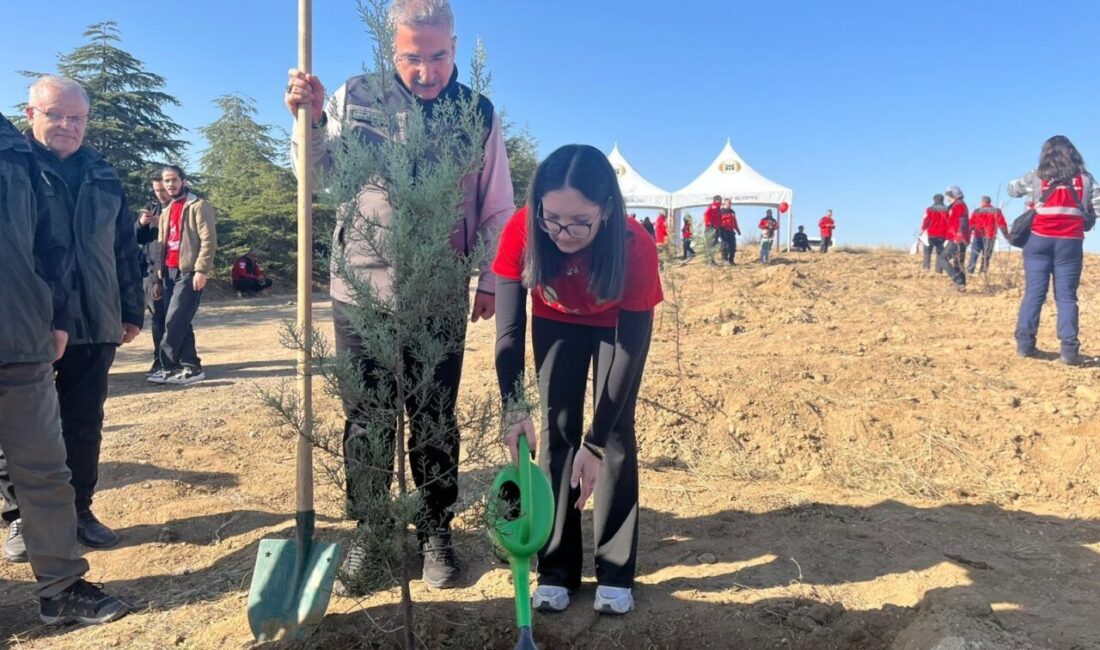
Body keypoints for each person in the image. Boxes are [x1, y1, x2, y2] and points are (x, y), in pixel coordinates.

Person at [285, 0, 514, 591]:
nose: (426, 70)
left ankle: (435, 530)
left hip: (438, 291)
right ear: (394, 49)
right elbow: (319, 178)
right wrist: (311, 121)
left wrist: (490, 278)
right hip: (360, 287)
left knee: (434, 417)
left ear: (455, 47)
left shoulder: (478, 113)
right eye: (413, 57)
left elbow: (496, 204)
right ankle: (372, 529)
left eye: (438, 56)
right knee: (367, 419)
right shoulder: (356, 95)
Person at [493, 144, 662, 616]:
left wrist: (596, 444)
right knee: (557, 431)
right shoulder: (523, 229)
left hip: (615, 327)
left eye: (579, 222)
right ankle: (556, 569)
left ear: (606, 210)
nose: (563, 233)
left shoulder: (635, 245)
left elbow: (630, 348)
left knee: (615, 434)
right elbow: (509, 333)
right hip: (556, 320)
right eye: (552, 219)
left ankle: (615, 570)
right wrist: (513, 407)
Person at [0, 76, 144, 553]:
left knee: (83, 423)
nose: (67, 125)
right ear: (30, 115)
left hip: (95, 318)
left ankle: (79, 510)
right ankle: (22, 517)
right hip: (29, 322)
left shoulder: (103, 173)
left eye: (77, 118)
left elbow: (124, 247)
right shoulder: (13, 167)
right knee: (19, 428)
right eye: (56, 115)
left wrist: (130, 308)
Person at [1008, 135, 1099, 365]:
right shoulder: (1086, 178)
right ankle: (1069, 351)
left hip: (1038, 240)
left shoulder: (1036, 176)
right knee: (1067, 297)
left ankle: (1025, 345)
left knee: (1034, 293)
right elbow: (1098, 206)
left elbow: (1012, 189)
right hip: (1070, 243)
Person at [147, 165, 216, 386]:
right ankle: (190, 366)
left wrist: (201, 270)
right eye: (166, 181)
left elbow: (208, 240)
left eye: (174, 180)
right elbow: (161, 247)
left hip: (188, 271)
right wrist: (157, 279)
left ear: (183, 181)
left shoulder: (199, 206)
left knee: (174, 319)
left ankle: (167, 366)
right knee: (180, 320)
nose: (170, 184)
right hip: (168, 272)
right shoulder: (166, 211)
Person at [136, 174, 170, 375]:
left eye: (162, 190)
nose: (160, 194)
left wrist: (164, 224)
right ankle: (159, 359)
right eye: (156, 191)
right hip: (150, 271)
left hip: (172, 269)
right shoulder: (152, 208)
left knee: (174, 317)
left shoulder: (181, 207)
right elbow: (136, 238)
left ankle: (178, 358)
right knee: (158, 317)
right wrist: (141, 223)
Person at [967, 196, 1008, 274]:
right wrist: (1006, 236)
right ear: (989, 202)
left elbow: (971, 225)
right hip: (990, 236)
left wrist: (967, 236)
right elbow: (1002, 224)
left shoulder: (976, 211)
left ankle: (970, 271)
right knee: (986, 256)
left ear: (982, 202)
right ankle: (983, 272)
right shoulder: (996, 211)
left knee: (974, 255)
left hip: (978, 236)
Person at [938, 186, 969, 290]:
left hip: (957, 237)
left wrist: (959, 235)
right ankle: (961, 285)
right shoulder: (957, 205)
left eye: (947, 195)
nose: (946, 197)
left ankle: (958, 281)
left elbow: (962, 221)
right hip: (960, 237)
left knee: (942, 259)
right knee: (958, 262)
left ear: (951, 195)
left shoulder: (958, 205)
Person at [921, 194, 949, 272]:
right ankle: (939, 271)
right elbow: (950, 222)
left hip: (931, 234)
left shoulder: (929, 209)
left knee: (927, 251)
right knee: (940, 253)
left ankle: (926, 267)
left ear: (934, 200)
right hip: (943, 234)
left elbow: (926, 220)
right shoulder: (947, 210)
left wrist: (923, 230)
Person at [718, 198, 740, 265]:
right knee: (725, 244)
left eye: (730, 203)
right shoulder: (720, 211)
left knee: (733, 245)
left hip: (731, 231)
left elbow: (734, 221)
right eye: (728, 203)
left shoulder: (732, 212)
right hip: (723, 230)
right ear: (724, 203)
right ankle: (724, 259)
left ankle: (731, 260)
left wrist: (738, 230)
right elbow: (717, 221)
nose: (730, 204)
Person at [702, 194, 721, 265]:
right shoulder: (713, 206)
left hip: (716, 227)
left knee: (714, 244)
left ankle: (711, 261)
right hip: (711, 228)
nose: (721, 201)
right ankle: (709, 261)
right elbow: (706, 214)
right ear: (716, 200)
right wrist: (710, 224)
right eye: (719, 200)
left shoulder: (718, 208)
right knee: (710, 244)